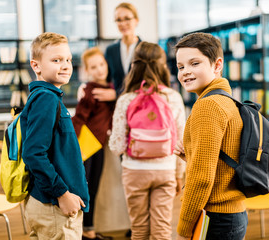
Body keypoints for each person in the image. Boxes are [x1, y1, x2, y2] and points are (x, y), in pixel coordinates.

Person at [174, 32, 248, 240]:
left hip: (217, 217)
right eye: (181, 67)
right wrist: (191, 156)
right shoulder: (226, 99)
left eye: (194, 63)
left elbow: (201, 179)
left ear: (217, 65)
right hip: (232, 214)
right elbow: (222, 162)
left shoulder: (208, 106)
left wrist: (184, 228)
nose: (186, 72)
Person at [109, 41, 186, 240]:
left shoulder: (125, 99)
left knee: (139, 230)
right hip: (166, 170)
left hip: (134, 171)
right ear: (162, 66)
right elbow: (180, 142)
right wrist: (179, 175)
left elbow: (117, 147)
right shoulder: (173, 97)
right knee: (161, 230)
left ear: (134, 66)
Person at [21, 32, 89, 239]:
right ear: (36, 66)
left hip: (53, 205)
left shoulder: (49, 97)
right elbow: (33, 153)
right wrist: (62, 193)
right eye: (56, 60)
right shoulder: (46, 99)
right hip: (54, 206)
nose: (66, 65)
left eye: (68, 59)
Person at [71, 47, 115, 240]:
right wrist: (71, 144)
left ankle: (88, 230)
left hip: (100, 145)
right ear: (88, 70)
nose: (99, 69)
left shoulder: (111, 88)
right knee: (86, 188)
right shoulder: (90, 90)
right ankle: (83, 231)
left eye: (101, 64)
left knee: (94, 187)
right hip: (86, 146)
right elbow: (79, 118)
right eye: (94, 67)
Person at [88, 2, 141, 102]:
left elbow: (150, 82)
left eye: (127, 18)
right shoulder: (111, 50)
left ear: (136, 20)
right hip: (117, 106)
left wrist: (117, 94)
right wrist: (86, 87)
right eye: (118, 20)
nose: (123, 23)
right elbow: (104, 79)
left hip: (140, 104)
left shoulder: (145, 49)